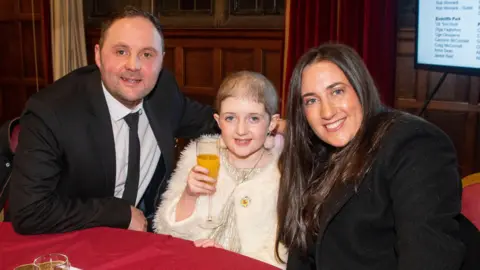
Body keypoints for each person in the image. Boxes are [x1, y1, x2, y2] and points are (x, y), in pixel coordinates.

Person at [9, 7, 217, 234]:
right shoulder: (51, 112)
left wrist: (260, 127)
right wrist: (118, 213)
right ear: (98, 55)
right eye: (121, 52)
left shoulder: (163, 90)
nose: (133, 66)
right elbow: (29, 210)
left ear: (161, 61)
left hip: (146, 240)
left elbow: (213, 121)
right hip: (70, 241)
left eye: (147, 54)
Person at [275, 43, 477, 270]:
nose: (327, 112)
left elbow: (428, 258)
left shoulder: (414, 144)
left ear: (360, 87)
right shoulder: (314, 151)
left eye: (337, 91)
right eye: (311, 100)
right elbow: (303, 254)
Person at [154, 71, 287, 268]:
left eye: (254, 118)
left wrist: (228, 260)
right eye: (231, 118)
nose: (241, 130)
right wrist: (189, 195)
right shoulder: (199, 156)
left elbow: (280, 251)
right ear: (218, 121)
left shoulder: (282, 173)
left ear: (272, 123)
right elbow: (166, 231)